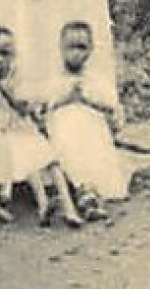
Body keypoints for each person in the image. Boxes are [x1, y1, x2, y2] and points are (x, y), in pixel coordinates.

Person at [0, 26, 81, 228]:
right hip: (3, 133)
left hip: (23, 128)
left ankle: (68, 206)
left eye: (5, 54)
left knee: (50, 160)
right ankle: (43, 204)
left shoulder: (16, 77)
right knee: (31, 163)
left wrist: (27, 105)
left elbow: (24, 104)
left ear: (14, 54)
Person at [46, 22, 128, 213]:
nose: (76, 53)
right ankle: (83, 187)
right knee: (69, 130)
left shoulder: (97, 79)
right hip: (63, 126)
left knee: (90, 132)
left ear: (91, 49)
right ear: (61, 48)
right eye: (71, 47)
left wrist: (87, 100)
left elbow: (112, 109)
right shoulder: (53, 79)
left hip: (92, 128)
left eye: (81, 47)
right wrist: (66, 99)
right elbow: (43, 109)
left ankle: (92, 190)